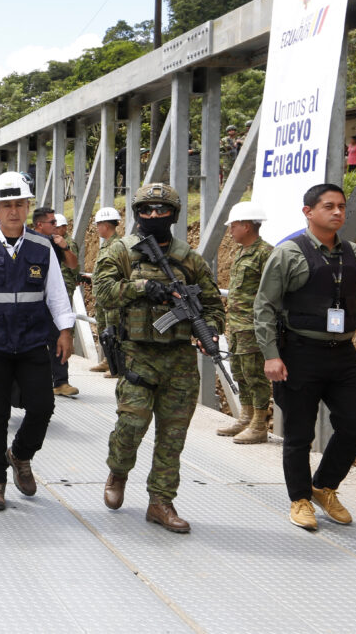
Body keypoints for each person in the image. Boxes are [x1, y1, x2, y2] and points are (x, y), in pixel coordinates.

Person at [94, 182, 224, 534]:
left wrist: (209, 329)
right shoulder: (119, 252)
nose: (154, 215)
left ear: (174, 215)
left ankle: (160, 502)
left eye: (161, 210)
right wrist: (143, 288)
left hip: (180, 359)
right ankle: (118, 470)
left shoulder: (189, 258)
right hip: (138, 354)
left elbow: (212, 304)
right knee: (131, 425)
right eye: (146, 210)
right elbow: (103, 295)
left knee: (173, 435)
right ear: (136, 214)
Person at [254, 183, 356, 531]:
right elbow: (264, 307)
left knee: (355, 423)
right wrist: (270, 354)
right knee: (298, 434)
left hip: (342, 355)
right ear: (308, 212)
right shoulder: (287, 253)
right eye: (329, 206)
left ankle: (323, 486)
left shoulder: (354, 253)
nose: (337, 212)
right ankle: (299, 499)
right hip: (298, 353)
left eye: (341, 206)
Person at [0, 172, 74, 510]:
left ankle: (19, 454)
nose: (13, 211)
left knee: (42, 406)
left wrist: (65, 331)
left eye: (19, 203)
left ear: (27, 206)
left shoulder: (41, 246)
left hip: (33, 340)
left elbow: (56, 294)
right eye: (6, 205)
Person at [217, 202, 274, 444]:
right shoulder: (241, 252)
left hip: (254, 327)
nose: (230, 231)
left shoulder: (266, 253)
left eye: (234, 226)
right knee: (240, 371)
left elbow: (271, 292)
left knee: (254, 374)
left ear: (247, 226)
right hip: (237, 326)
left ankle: (259, 425)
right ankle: (246, 417)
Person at [31, 207, 80, 398]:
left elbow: (73, 265)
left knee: (58, 336)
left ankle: (61, 381)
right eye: (53, 223)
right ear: (40, 224)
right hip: (30, 300)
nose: (56, 226)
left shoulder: (55, 242)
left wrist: (64, 247)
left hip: (50, 300)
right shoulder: (26, 241)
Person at [89, 206, 122, 377]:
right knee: (104, 329)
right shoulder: (106, 245)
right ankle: (108, 360)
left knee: (113, 330)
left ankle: (116, 365)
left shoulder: (117, 246)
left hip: (111, 297)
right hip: (102, 296)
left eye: (98, 225)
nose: (97, 228)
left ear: (105, 226)